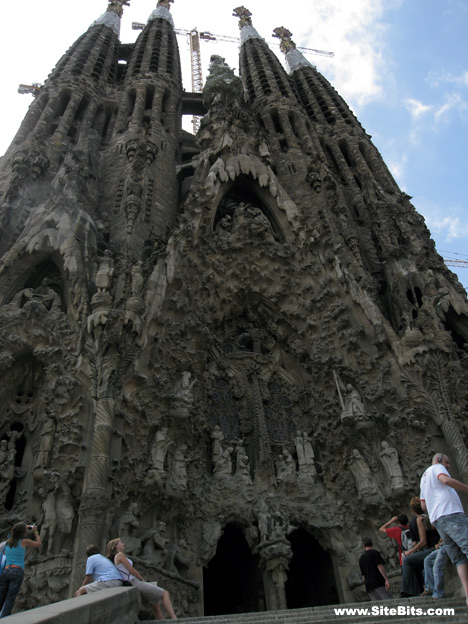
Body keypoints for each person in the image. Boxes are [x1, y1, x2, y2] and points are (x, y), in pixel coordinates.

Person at [420, 453, 468, 606]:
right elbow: (445, 480)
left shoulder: (423, 478)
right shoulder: (437, 468)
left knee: (459, 559)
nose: (448, 466)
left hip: (438, 520)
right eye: (447, 463)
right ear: (439, 460)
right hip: (450, 512)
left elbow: (423, 506)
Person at [106, 538, 177, 620]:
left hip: (131, 582)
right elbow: (131, 570)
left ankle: (162, 621)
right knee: (165, 593)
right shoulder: (120, 555)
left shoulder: (115, 557)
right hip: (134, 581)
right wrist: (142, 578)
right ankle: (174, 619)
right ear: (115, 546)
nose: (123, 544)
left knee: (155, 604)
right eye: (121, 543)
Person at [0, 522, 42, 618]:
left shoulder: (7, 543)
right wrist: (35, 532)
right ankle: (4, 619)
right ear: (23, 532)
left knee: (1, 596)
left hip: (6, 571)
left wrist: (23, 528)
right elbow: (38, 543)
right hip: (17, 572)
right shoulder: (24, 542)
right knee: (10, 598)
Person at [400, 497, 439, 597]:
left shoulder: (419, 520)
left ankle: (407, 590)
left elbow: (422, 541)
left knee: (406, 561)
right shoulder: (428, 517)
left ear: (412, 510)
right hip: (434, 547)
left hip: (430, 548)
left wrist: (410, 551)